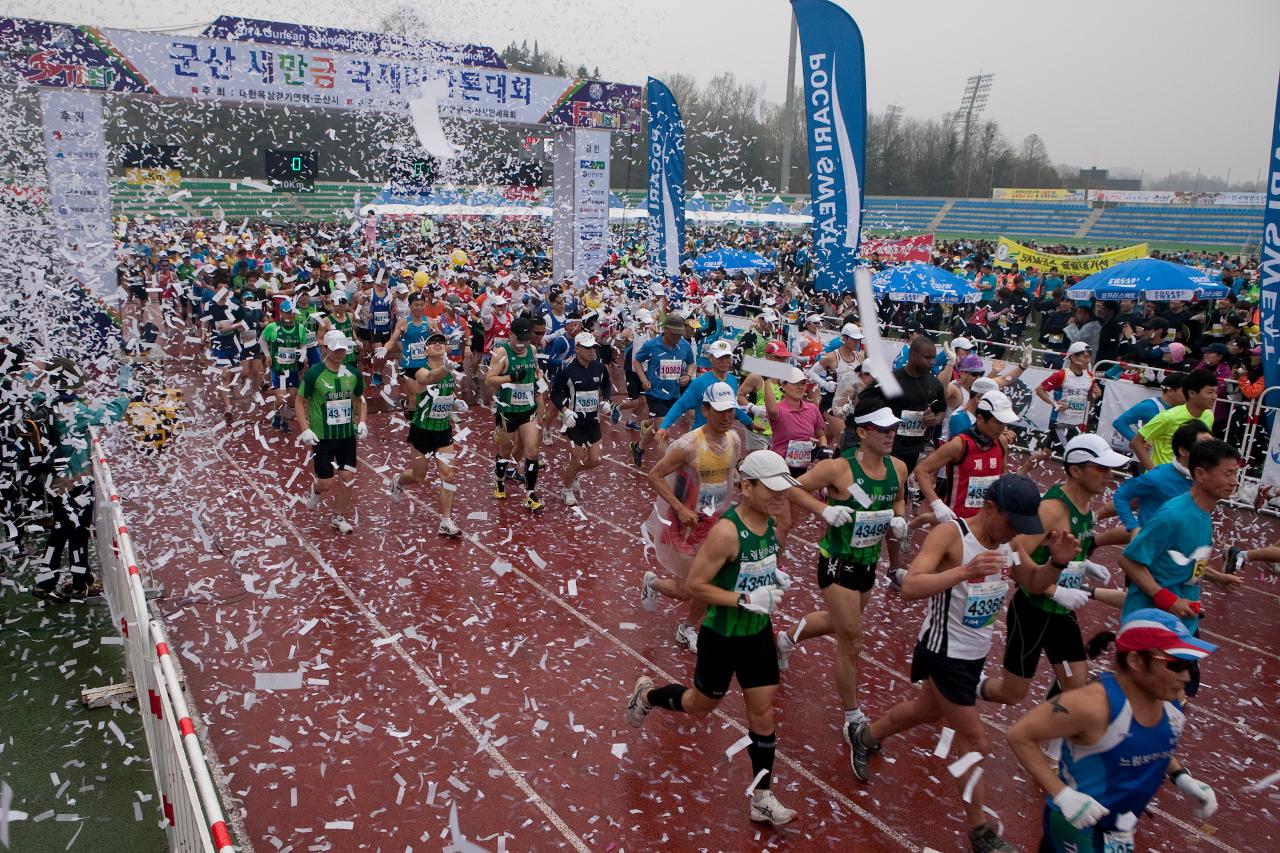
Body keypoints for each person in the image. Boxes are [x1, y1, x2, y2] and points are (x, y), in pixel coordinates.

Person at [847, 474, 1080, 853]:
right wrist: (964, 572)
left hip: (974, 653)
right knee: (974, 738)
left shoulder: (1007, 543)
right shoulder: (950, 535)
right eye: (1011, 523)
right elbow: (910, 586)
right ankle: (980, 831)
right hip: (943, 651)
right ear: (990, 508)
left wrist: (1056, 562)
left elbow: (1034, 583)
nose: (1014, 533)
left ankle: (866, 735)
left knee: (925, 710)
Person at [626, 450, 801, 827]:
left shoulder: (773, 522)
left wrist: (773, 578)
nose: (778, 497)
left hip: (756, 635)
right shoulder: (726, 532)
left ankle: (763, 795)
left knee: (763, 713)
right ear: (747, 487)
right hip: (721, 636)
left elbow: (760, 565)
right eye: (771, 489)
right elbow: (696, 586)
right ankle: (647, 695)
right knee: (699, 705)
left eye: (782, 490)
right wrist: (746, 598)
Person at [1006, 609, 1219, 853]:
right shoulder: (1091, 704)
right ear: (1136, 661)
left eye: (1190, 664)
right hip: (1078, 826)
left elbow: (1150, 742)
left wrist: (1182, 778)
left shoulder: (1173, 701)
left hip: (1120, 829)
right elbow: (1020, 735)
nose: (1186, 676)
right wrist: (1062, 794)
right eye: (1177, 664)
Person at [774, 405, 907, 753]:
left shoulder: (900, 468)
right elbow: (790, 488)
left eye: (893, 428)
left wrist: (900, 519)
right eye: (882, 429)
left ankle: (784, 642)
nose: (890, 434)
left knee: (838, 623)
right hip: (836, 561)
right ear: (862, 432)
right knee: (852, 639)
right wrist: (824, 509)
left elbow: (900, 499)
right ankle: (853, 718)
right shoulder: (838, 468)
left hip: (867, 564)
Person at [979, 434, 1132, 706]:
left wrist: (1082, 563)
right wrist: (1054, 590)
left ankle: (1053, 741)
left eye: (1110, 468)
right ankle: (968, 685)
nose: (1109, 475)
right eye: (1101, 468)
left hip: (1061, 614)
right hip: (1033, 610)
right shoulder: (1052, 508)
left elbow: (1060, 547)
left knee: (1076, 686)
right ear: (1076, 470)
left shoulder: (1084, 504)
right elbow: (1012, 551)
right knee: (1012, 694)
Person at [1119, 439, 1244, 697]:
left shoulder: (1202, 513)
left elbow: (1181, 559)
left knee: (1173, 701)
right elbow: (1129, 560)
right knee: (1146, 704)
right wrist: (1168, 600)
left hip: (1181, 623)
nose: (1234, 481)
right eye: (1228, 473)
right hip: (1152, 624)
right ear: (1200, 474)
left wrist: (1215, 577)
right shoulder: (1174, 515)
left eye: (1237, 473)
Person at [640, 382, 744, 653]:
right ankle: (653, 583)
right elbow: (655, 475)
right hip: (688, 525)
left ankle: (687, 627)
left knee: (707, 582)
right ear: (705, 410)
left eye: (730, 411)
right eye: (720, 411)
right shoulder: (688, 445)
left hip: (718, 523)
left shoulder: (734, 439)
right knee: (693, 588)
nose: (726, 417)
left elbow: (731, 473)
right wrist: (680, 508)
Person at [389, 332, 465, 537]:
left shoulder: (450, 369)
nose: (438, 345)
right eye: (433, 343)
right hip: (422, 431)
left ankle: (446, 520)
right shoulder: (419, 369)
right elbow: (430, 378)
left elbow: (447, 391)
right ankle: (398, 480)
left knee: (448, 474)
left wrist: (454, 401)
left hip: (443, 431)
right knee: (418, 476)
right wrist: (446, 368)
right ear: (425, 349)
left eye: (442, 342)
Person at [296, 330, 368, 535]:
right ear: (325, 348)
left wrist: (362, 422)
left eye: (343, 349)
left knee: (347, 477)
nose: (339, 353)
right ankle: (315, 489)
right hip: (323, 438)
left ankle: (338, 517)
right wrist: (305, 429)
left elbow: (360, 399)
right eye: (335, 349)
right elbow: (299, 401)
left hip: (346, 436)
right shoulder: (314, 374)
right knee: (326, 482)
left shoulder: (353, 374)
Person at [854, 335, 946, 472]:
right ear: (913, 355)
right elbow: (861, 402)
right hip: (889, 446)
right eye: (927, 358)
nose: (932, 362)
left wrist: (935, 419)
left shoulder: (935, 384)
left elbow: (941, 410)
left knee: (903, 485)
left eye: (934, 357)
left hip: (915, 449)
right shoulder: (890, 380)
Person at [486, 316, 545, 511]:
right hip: (508, 410)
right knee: (506, 448)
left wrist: (540, 381)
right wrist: (510, 377)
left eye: (526, 340)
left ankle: (530, 494)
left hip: (528, 410)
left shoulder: (532, 350)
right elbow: (489, 380)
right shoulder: (502, 353)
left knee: (532, 451)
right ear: (510, 335)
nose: (522, 345)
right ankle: (499, 479)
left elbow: (536, 371)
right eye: (519, 340)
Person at [1112, 420, 1212, 534]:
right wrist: (1133, 527)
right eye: (1204, 445)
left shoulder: (1206, 481)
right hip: (1150, 548)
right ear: (1184, 451)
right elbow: (1121, 495)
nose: (1211, 451)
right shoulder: (1159, 476)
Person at [551, 330, 613, 506]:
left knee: (595, 460)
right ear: (577, 348)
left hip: (593, 422)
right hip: (574, 423)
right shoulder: (567, 369)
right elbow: (554, 394)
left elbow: (607, 385)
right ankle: (567, 489)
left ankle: (574, 472)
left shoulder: (599, 367)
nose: (592, 351)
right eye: (587, 348)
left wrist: (607, 401)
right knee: (576, 459)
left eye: (594, 347)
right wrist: (565, 410)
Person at [630, 312, 695, 467]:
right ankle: (667, 472)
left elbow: (691, 363)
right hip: (655, 394)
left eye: (680, 334)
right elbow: (637, 361)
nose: (677, 338)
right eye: (674, 334)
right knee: (664, 432)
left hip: (674, 393)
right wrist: (643, 379)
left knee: (659, 427)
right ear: (665, 329)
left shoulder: (684, 345)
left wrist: (688, 375)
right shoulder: (651, 345)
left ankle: (638, 448)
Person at [1130, 370, 1217, 470]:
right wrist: (1154, 472)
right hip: (1163, 478)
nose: (1215, 397)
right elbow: (1136, 442)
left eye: (1216, 392)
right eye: (1210, 392)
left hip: (1188, 478)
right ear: (1192, 393)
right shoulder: (1168, 417)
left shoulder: (1209, 416)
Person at [1036, 341, 1099, 450]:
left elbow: (1089, 399)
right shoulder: (1061, 375)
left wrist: (1095, 395)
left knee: (1046, 453)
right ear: (1073, 357)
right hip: (1060, 422)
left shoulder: (1090, 376)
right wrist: (1055, 403)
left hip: (1077, 423)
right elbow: (1039, 390)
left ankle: (1024, 467)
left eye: (1089, 357)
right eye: (1085, 357)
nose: (1088, 360)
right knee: (1070, 454)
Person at [260, 298, 308, 432]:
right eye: (287, 313)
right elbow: (262, 340)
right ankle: (276, 413)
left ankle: (285, 422)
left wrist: (303, 357)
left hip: (292, 370)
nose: (290, 315)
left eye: (292, 312)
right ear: (281, 312)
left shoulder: (300, 328)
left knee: (292, 399)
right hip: (278, 370)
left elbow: (303, 344)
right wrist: (268, 355)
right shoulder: (272, 327)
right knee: (281, 400)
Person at [1111, 372, 1185, 455]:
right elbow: (1119, 422)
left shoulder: (1183, 409)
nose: (1188, 395)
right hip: (1148, 459)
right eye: (1184, 391)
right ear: (1171, 391)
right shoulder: (1149, 406)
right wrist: (1139, 442)